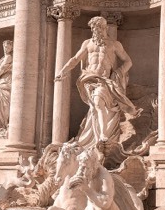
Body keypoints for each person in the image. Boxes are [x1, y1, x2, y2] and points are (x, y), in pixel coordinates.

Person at [55, 15, 139, 149]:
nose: (96, 30)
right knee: (95, 107)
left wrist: (118, 73)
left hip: (104, 80)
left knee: (98, 104)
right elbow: (75, 59)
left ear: (105, 27)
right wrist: (63, 71)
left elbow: (128, 61)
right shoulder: (87, 43)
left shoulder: (114, 44)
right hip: (89, 79)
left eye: (99, 27)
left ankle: (102, 135)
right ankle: (97, 136)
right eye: (94, 28)